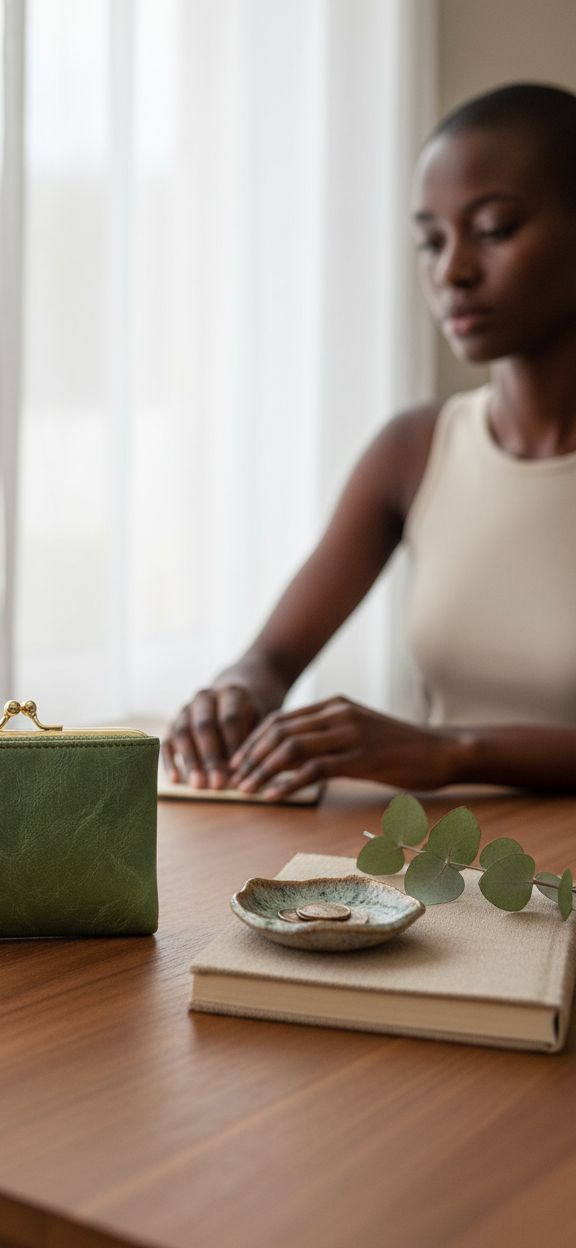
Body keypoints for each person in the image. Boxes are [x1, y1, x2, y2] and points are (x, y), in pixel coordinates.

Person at [162, 82, 576, 797]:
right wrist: (234, 695)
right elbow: (273, 657)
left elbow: (447, 752)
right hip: (453, 874)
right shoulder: (415, 450)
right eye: (431, 241)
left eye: (495, 229)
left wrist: (455, 753)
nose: (452, 271)